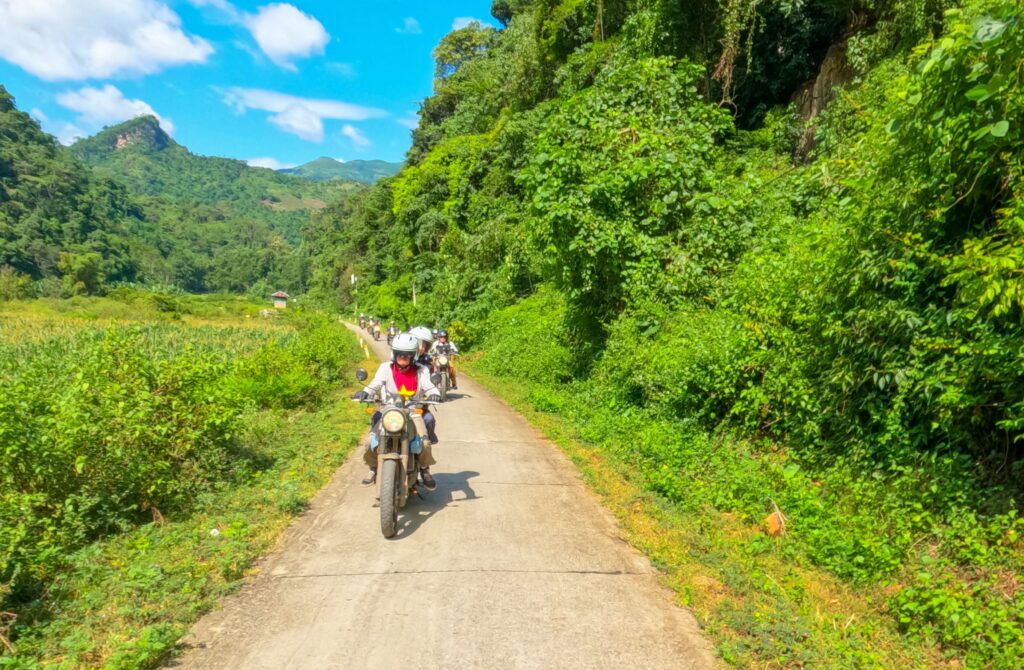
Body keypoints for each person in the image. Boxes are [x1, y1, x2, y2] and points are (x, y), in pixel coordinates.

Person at [351, 333, 441, 490]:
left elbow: (429, 386)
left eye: (407, 355)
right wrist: (365, 392)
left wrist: (436, 394)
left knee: (424, 443)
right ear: (394, 353)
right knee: (370, 442)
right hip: (389, 411)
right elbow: (375, 384)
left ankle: (425, 469)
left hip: (412, 412)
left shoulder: (421, 371)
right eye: (400, 354)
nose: (403, 358)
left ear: (413, 356)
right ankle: (373, 468)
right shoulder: (385, 368)